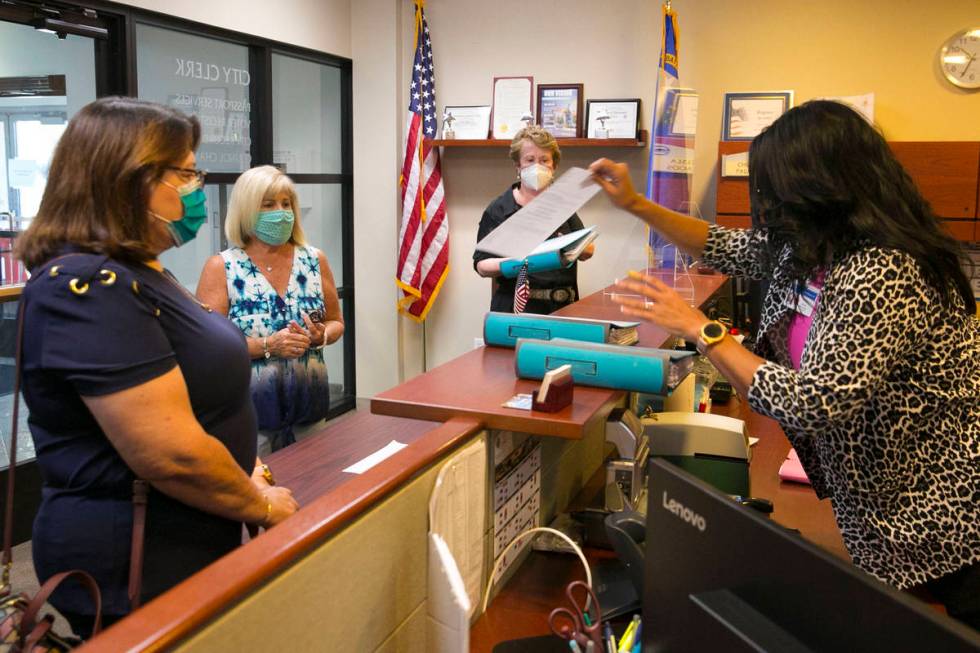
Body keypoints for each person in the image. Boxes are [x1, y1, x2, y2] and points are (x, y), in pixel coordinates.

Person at [590, 100, 980, 630]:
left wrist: (701, 330)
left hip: (945, 515)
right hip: (884, 507)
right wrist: (637, 204)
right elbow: (722, 244)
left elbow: (814, 401)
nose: (768, 209)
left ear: (822, 188)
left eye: (776, 193)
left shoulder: (883, 268)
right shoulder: (811, 248)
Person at [14, 97, 298, 636]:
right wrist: (257, 502)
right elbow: (169, 454)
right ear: (131, 179)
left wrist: (241, 470)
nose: (197, 188)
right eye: (186, 173)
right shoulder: (87, 287)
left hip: (188, 536)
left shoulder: (141, 271)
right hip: (134, 561)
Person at [196, 165, 344, 456]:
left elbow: (336, 322)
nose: (281, 212)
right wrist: (268, 346)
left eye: (286, 204)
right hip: (249, 420)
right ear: (247, 211)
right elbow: (208, 350)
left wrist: (320, 336)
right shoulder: (222, 268)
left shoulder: (314, 260)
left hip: (310, 411)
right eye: (269, 205)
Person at [473, 125, 594, 314]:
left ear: (554, 166)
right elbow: (481, 266)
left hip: (563, 308)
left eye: (544, 160)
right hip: (517, 310)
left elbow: (588, 250)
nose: (537, 166)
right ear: (518, 166)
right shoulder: (500, 209)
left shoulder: (563, 205)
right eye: (529, 160)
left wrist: (570, 248)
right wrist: (519, 261)